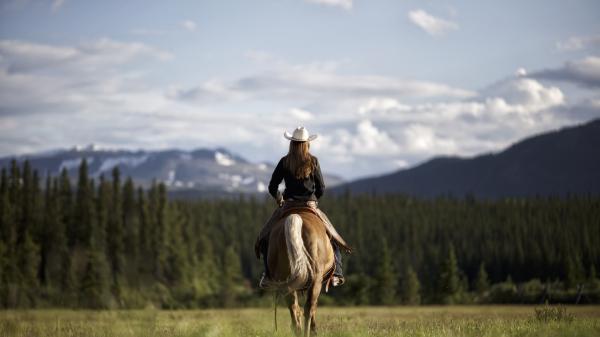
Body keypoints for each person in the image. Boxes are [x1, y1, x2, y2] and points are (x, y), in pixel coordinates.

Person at [254, 126, 350, 287]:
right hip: (309, 205)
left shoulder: (284, 161)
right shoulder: (313, 161)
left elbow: (272, 186)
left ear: (292, 143)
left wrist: (279, 199)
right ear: (307, 144)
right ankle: (337, 273)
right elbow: (321, 188)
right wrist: (313, 201)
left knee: (265, 237)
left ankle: (268, 275)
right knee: (332, 238)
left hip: (288, 205)